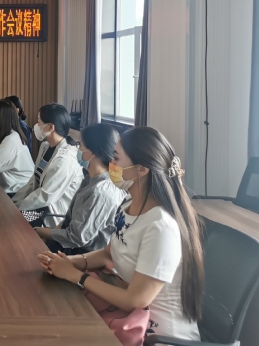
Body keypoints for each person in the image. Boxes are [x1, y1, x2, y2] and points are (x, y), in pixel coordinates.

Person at [37, 127, 204, 341]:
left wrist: (75, 275)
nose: (111, 164)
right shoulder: (129, 205)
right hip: (127, 319)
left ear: (141, 169)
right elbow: (109, 254)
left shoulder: (161, 227)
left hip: (155, 335)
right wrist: (67, 262)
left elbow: (135, 300)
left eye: (116, 158)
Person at [35, 123, 126, 253]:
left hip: (80, 254)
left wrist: (40, 231)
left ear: (92, 153)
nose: (78, 148)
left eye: (81, 145)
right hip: (66, 240)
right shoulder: (91, 178)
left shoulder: (101, 192)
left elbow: (76, 238)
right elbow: (69, 222)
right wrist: (50, 233)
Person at [11, 103, 82, 227]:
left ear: (50, 127)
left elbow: (45, 196)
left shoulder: (65, 159)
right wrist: (14, 202)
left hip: (51, 215)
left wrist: (16, 208)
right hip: (39, 207)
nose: (37, 126)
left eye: (39, 122)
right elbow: (33, 180)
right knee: (5, 215)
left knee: (10, 222)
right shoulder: (45, 147)